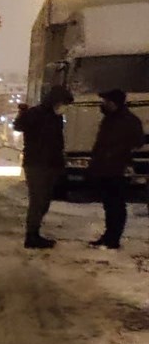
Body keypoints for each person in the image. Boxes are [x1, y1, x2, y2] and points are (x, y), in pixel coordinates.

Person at [13, 85, 74, 249]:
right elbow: (18, 126)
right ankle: (31, 236)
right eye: (63, 103)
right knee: (38, 201)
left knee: (44, 201)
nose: (64, 108)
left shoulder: (56, 118)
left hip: (51, 164)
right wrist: (22, 113)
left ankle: (35, 233)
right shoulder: (35, 114)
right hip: (36, 164)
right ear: (56, 101)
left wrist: (59, 164)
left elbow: (57, 142)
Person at [87, 89, 146, 250]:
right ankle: (109, 236)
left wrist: (118, 151)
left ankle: (113, 239)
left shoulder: (128, 120)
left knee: (117, 205)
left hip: (117, 168)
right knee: (109, 204)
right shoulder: (110, 119)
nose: (103, 104)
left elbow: (138, 141)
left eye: (106, 101)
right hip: (105, 168)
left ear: (114, 103)